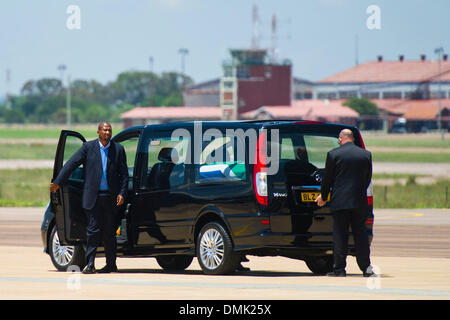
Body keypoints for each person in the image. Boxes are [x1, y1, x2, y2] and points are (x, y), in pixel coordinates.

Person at [50, 122, 128, 274]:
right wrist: (58, 182)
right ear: (98, 132)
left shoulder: (118, 149)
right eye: (105, 130)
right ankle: (90, 264)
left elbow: (124, 175)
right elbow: (71, 164)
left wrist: (122, 193)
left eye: (109, 130)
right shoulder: (88, 148)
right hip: (93, 197)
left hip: (110, 197)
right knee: (92, 231)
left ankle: (111, 264)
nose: (107, 132)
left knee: (109, 232)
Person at [315, 129, 375, 277]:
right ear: (352, 139)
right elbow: (367, 179)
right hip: (359, 202)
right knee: (361, 235)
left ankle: (339, 269)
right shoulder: (365, 155)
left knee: (340, 235)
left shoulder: (334, 154)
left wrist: (323, 197)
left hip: (340, 202)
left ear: (340, 139)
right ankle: (366, 268)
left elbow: (327, 179)